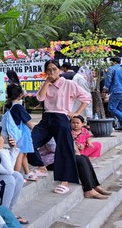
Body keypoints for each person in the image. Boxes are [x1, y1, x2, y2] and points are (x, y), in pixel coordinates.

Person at [33, 59, 90, 195]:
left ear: (59, 70)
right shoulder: (45, 83)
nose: (52, 72)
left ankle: (65, 181)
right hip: (47, 118)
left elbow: (86, 98)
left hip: (62, 117)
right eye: (49, 70)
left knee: (64, 149)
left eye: (54, 69)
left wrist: (76, 113)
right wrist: (47, 81)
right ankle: (41, 168)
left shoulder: (69, 84)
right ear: (45, 72)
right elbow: (40, 99)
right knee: (29, 140)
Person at [4, 84, 36, 179]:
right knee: (20, 154)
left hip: (15, 134)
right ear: (20, 95)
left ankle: (27, 173)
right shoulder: (19, 107)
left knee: (23, 154)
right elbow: (27, 121)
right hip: (22, 134)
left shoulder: (10, 107)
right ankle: (16, 176)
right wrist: (33, 129)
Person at [103, 57, 122, 130]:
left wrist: (105, 89)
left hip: (116, 91)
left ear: (113, 62)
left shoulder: (111, 69)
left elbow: (108, 80)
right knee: (120, 108)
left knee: (111, 108)